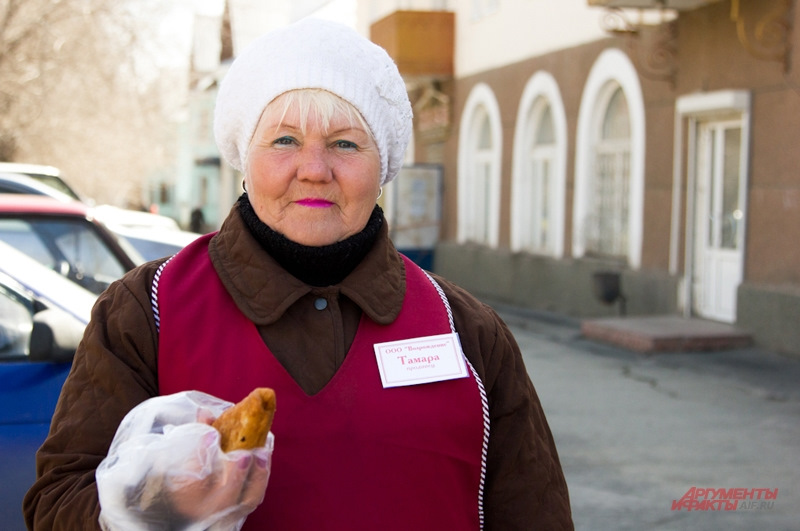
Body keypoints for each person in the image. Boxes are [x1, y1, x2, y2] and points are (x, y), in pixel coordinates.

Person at [23, 17, 573, 530]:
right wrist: (153, 501)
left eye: (345, 144)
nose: (314, 169)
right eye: (285, 140)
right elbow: (54, 503)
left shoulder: (469, 332)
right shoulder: (147, 311)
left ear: (382, 164)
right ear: (244, 153)